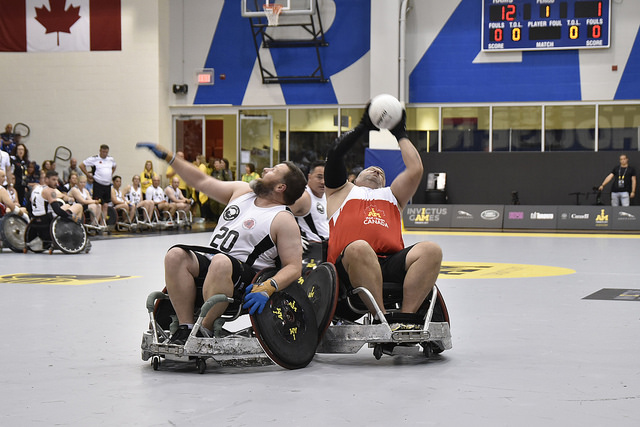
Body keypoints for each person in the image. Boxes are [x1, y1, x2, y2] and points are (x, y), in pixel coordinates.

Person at [137, 142, 307, 345]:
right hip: (213, 263)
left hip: (245, 279)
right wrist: (170, 157)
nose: (265, 169)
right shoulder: (242, 191)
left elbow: (294, 267)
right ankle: (185, 328)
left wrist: (268, 287)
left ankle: (204, 330)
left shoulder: (282, 218)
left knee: (221, 261)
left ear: (280, 187)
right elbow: (201, 181)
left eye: (273, 170)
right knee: (175, 255)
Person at [324, 106, 442, 328]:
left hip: (388, 264)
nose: (376, 171)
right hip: (348, 267)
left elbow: (415, 169)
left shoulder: (392, 195)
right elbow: (335, 155)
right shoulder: (340, 191)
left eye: (381, 172)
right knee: (360, 246)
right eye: (369, 169)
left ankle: (405, 320)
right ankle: (382, 317)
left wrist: (400, 133)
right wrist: (362, 129)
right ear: (354, 178)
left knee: (431, 250)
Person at [290, 160, 329, 243]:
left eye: (327, 177)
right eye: (319, 177)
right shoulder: (303, 197)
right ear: (309, 177)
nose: (323, 182)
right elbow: (279, 216)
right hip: (313, 248)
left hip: (328, 245)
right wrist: (293, 238)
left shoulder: (326, 195)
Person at [80, 144, 116, 224]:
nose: (104, 154)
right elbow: (81, 165)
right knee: (97, 205)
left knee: (106, 206)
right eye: (103, 152)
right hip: (98, 184)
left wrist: (110, 174)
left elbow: (114, 166)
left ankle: (103, 224)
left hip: (107, 184)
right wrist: (87, 174)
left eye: (106, 152)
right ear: (100, 151)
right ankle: (94, 223)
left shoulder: (111, 159)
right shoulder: (94, 159)